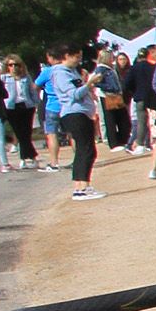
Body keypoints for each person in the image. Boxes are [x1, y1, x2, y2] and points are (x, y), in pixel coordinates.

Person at [38, 46, 100, 199]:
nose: (79, 60)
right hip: (74, 113)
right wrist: (89, 84)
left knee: (84, 149)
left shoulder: (72, 71)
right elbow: (73, 94)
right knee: (86, 150)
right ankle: (82, 187)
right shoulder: (60, 73)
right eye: (76, 56)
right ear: (67, 55)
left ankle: (81, 185)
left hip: (82, 112)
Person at [0, 58, 40, 171]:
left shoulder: (26, 78)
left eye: (16, 64)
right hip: (11, 107)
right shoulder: (4, 78)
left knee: (26, 133)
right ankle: (30, 157)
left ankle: (26, 158)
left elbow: (32, 92)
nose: (13, 67)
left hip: (26, 106)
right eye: (10, 65)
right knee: (19, 133)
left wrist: (36, 103)